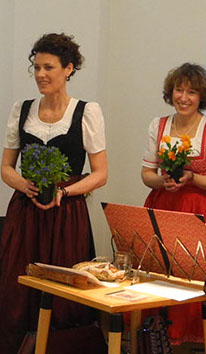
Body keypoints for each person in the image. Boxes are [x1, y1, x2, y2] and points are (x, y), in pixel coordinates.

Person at [0, 33, 108, 353]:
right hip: (25, 213)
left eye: (48, 67)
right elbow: (6, 166)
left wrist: (65, 191)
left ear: (68, 69)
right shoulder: (22, 109)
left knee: (64, 292)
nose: (41, 75)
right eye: (36, 67)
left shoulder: (87, 112)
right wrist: (24, 185)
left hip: (67, 215)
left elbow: (101, 174)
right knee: (15, 287)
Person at [141, 63, 206, 349]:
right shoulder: (157, 126)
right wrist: (163, 182)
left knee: (194, 281)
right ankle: (158, 341)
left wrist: (192, 177)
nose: (183, 97)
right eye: (179, 90)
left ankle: (196, 342)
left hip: (198, 212)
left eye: (191, 92)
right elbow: (147, 176)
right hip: (162, 207)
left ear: (201, 96)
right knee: (160, 278)